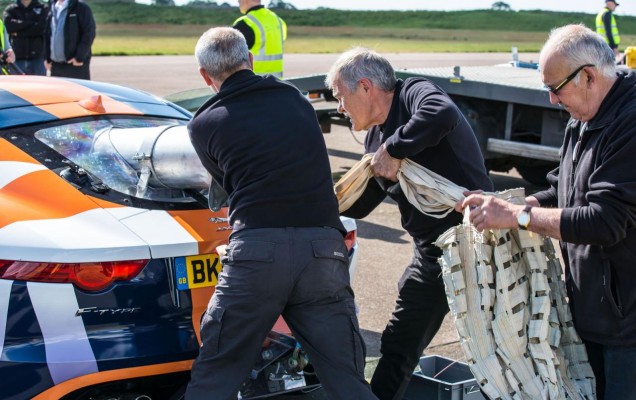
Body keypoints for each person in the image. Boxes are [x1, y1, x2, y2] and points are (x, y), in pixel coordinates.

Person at [185, 27, 377, 400]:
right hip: (323, 249)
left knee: (216, 375)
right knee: (346, 379)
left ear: (205, 77)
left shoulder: (203, 124)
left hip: (257, 252)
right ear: (251, 61)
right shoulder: (296, 101)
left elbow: (227, 184)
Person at [458, 24, 636, 400]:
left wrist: (517, 218)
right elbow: (565, 187)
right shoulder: (585, 115)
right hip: (596, 310)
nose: (553, 100)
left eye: (556, 88)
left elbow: (605, 220)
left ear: (588, 75)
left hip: (628, 327)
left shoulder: (630, 124)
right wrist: (523, 204)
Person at [325, 47, 493, 400]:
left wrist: (395, 148)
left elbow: (441, 113)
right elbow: (362, 201)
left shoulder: (414, 93)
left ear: (366, 88)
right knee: (402, 339)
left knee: (403, 342)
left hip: (466, 243)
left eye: (341, 97)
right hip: (430, 251)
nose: (339, 108)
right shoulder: (375, 137)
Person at [232, 0, 286, 78]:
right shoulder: (278, 20)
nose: (238, 2)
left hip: (253, 86)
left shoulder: (245, 23)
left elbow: (229, 57)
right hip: (278, 85)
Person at [44, 0, 95, 79]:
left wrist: (79, 57)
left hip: (75, 66)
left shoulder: (81, 7)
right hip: (56, 66)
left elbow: (89, 33)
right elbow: (48, 34)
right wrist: (47, 58)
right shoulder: (52, 7)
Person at [3, 0, 47, 75]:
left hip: (37, 60)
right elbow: (9, 27)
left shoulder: (43, 8)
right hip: (17, 59)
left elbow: (41, 28)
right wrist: (32, 24)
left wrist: (18, 32)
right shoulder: (11, 9)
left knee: (38, 86)